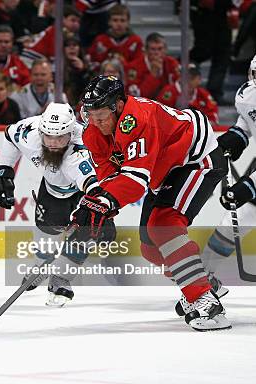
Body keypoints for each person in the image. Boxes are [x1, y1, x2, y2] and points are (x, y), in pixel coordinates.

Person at [76, 75, 230, 331]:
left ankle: (205, 300)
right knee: (150, 247)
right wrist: (95, 208)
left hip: (196, 160)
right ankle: (202, 280)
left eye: (101, 114)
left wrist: (105, 203)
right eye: (90, 114)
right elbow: (109, 175)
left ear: (118, 105)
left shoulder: (138, 119)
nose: (96, 121)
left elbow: (136, 180)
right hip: (163, 169)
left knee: (165, 224)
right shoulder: (93, 131)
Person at [0, 102, 102, 306]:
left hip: (83, 192)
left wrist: (93, 205)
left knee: (96, 231)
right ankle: (41, 265)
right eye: (48, 136)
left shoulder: (80, 148)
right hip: (52, 190)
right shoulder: (29, 132)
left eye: (60, 137)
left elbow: (92, 185)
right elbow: (9, 135)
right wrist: (2, 172)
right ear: (40, 130)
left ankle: (61, 277)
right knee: (47, 230)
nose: (53, 143)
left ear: (71, 133)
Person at [197, 55, 256, 291]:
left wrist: (247, 188)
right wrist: (234, 140)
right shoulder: (248, 96)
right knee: (232, 224)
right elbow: (247, 123)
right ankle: (203, 282)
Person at [87, 4, 143, 71]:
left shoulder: (136, 41)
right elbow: (91, 61)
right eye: (115, 20)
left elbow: (139, 66)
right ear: (109, 22)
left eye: (122, 20)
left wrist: (124, 64)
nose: (119, 24)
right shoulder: (100, 40)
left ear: (128, 22)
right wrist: (104, 65)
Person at [125, 33, 180, 99]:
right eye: (153, 49)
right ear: (146, 50)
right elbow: (136, 96)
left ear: (165, 49)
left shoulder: (172, 64)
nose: (157, 53)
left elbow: (178, 90)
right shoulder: (134, 67)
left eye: (160, 49)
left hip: (167, 104)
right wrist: (153, 75)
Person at [0, 24, 30, 89]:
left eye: (7, 42)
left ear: (12, 43)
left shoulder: (18, 63)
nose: (3, 45)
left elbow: (27, 85)